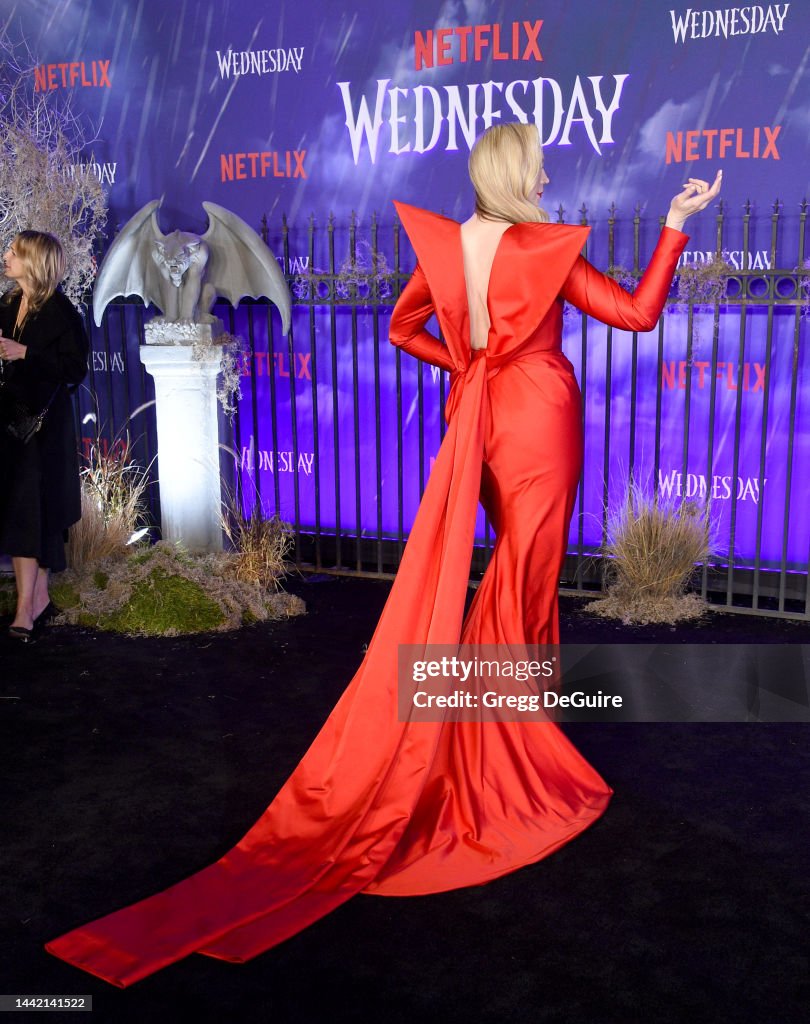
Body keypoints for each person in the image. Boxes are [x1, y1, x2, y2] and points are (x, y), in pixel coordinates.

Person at [45, 124, 721, 986]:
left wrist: (471, 364)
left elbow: (405, 329)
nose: (550, 173)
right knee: (525, 576)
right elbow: (637, 312)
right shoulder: (542, 247)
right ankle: (512, 752)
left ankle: (507, 729)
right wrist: (672, 223)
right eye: (540, 163)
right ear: (517, 172)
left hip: (477, 421)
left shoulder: (448, 244)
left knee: (508, 571)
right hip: (539, 422)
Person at [0, 231, 88, 642]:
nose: (6, 256)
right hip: (10, 425)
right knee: (23, 514)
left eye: (13, 252)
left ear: (33, 261)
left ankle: (26, 610)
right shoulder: (7, 303)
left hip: (43, 429)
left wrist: (26, 354)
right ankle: (36, 600)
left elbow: (74, 370)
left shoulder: (59, 311)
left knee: (34, 513)